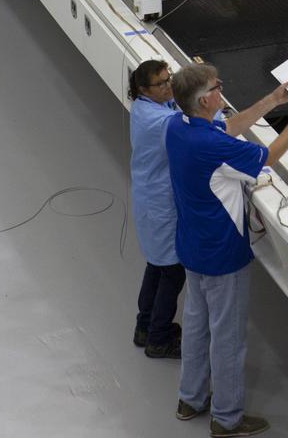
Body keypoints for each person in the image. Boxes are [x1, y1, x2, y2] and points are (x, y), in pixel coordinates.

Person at [167, 64, 288, 436]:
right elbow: (266, 159)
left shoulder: (178, 126)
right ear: (205, 100)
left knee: (197, 323)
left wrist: (272, 100)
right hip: (222, 256)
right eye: (218, 88)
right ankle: (227, 417)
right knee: (228, 337)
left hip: (191, 245)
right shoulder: (210, 146)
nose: (223, 91)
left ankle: (190, 397)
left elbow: (229, 127)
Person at [129, 59, 186, 359]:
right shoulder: (158, 120)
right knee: (173, 272)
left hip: (150, 198)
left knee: (156, 264)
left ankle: (144, 327)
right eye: (162, 84)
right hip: (159, 204)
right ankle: (159, 339)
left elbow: (178, 104)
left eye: (169, 79)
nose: (169, 87)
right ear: (143, 89)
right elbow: (194, 125)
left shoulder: (145, 105)